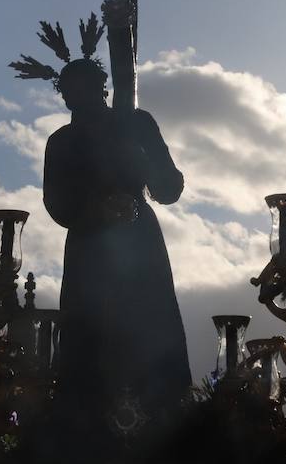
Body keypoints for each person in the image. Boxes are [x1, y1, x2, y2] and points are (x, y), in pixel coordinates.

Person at [42, 57, 192, 433]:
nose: (77, 97)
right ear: (65, 97)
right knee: (88, 332)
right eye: (70, 91)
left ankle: (166, 424)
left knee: (151, 324)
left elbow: (168, 189)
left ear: (102, 87)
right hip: (89, 248)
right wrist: (97, 211)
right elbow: (56, 202)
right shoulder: (61, 141)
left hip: (139, 241)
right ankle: (84, 428)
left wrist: (145, 156)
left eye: (85, 87)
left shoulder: (137, 124)